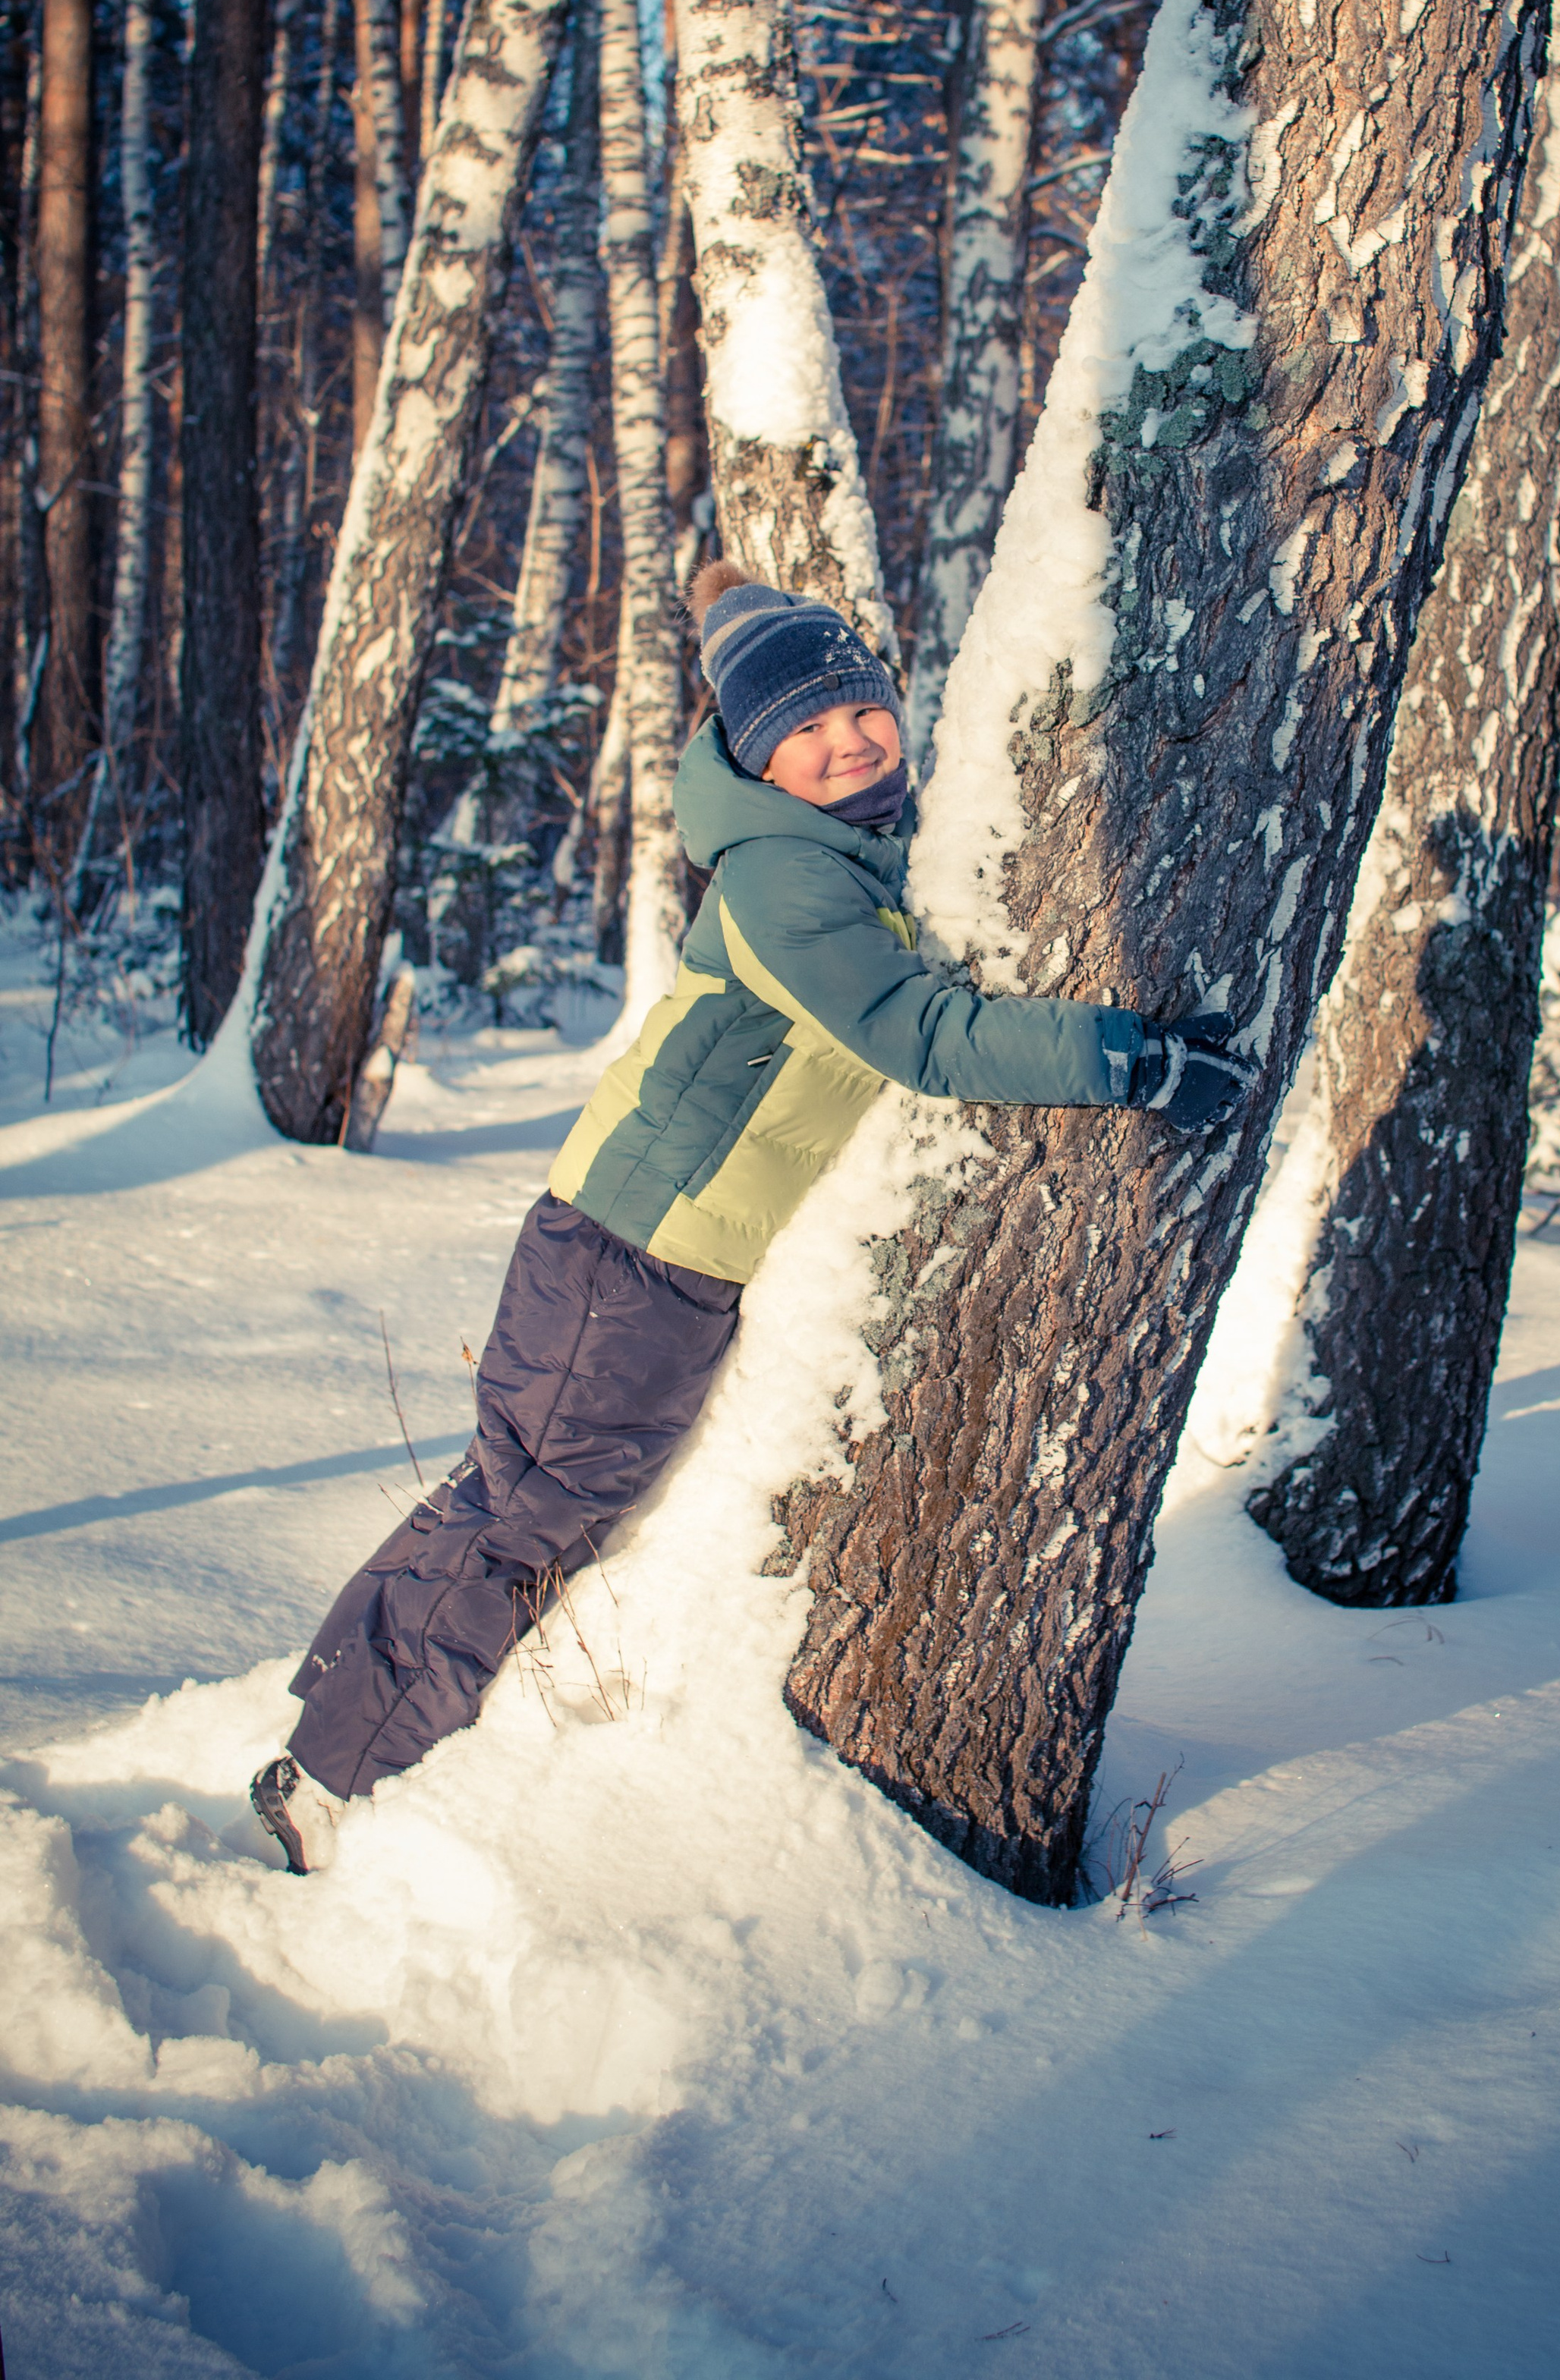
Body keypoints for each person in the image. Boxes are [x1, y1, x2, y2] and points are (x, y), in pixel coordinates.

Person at [251, 564, 1248, 1872]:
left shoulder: (835, 852)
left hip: (640, 1255)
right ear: (754, 756)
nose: (844, 744)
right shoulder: (784, 875)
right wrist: (1136, 1061)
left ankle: (332, 1724)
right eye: (804, 730)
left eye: (859, 715)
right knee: (529, 1512)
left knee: (508, 1493)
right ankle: (332, 1777)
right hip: (628, 1262)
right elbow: (923, 1034)